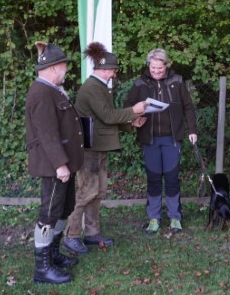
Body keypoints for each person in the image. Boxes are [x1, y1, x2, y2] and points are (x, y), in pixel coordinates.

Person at [63, 42, 148, 254]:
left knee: (98, 191)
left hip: (98, 146)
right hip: (89, 149)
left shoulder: (99, 87)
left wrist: (131, 123)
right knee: (86, 192)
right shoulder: (92, 88)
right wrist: (134, 110)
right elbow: (108, 116)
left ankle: (92, 233)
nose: (114, 74)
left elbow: (104, 118)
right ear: (103, 69)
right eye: (113, 70)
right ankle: (71, 235)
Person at [25, 42, 85, 284]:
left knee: (64, 208)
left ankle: (53, 254)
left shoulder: (52, 90)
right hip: (54, 166)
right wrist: (60, 164)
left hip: (64, 163)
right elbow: (47, 133)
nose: (66, 70)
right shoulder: (41, 93)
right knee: (49, 214)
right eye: (64, 66)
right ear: (54, 67)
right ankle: (42, 268)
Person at [124, 48, 198, 234]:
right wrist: (133, 120)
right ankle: (154, 218)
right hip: (150, 140)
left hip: (172, 139)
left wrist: (192, 130)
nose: (156, 71)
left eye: (160, 68)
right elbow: (127, 106)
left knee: (172, 178)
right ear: (148, 65)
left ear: (166, 65)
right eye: (153, 68)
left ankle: (175, 217)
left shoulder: (177, 81)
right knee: (154, 179)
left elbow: (188, 107)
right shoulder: (140, 83)